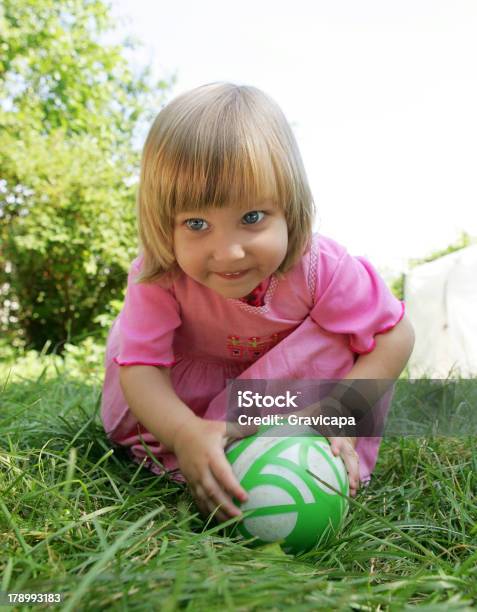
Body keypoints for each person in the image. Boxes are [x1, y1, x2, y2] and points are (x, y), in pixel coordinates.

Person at [101, 82, 415, 525]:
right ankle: (207, 447)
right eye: (196, 223)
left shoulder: (320, 266)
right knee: (129, 340)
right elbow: (142, 367)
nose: (228, 252)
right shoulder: (160, 275)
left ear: (288, 205)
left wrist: (340, 409)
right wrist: (184, 432)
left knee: (338, 335)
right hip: (187, 399)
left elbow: (394, 335)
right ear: (162, 222)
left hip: (291, 398)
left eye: (252, 218)